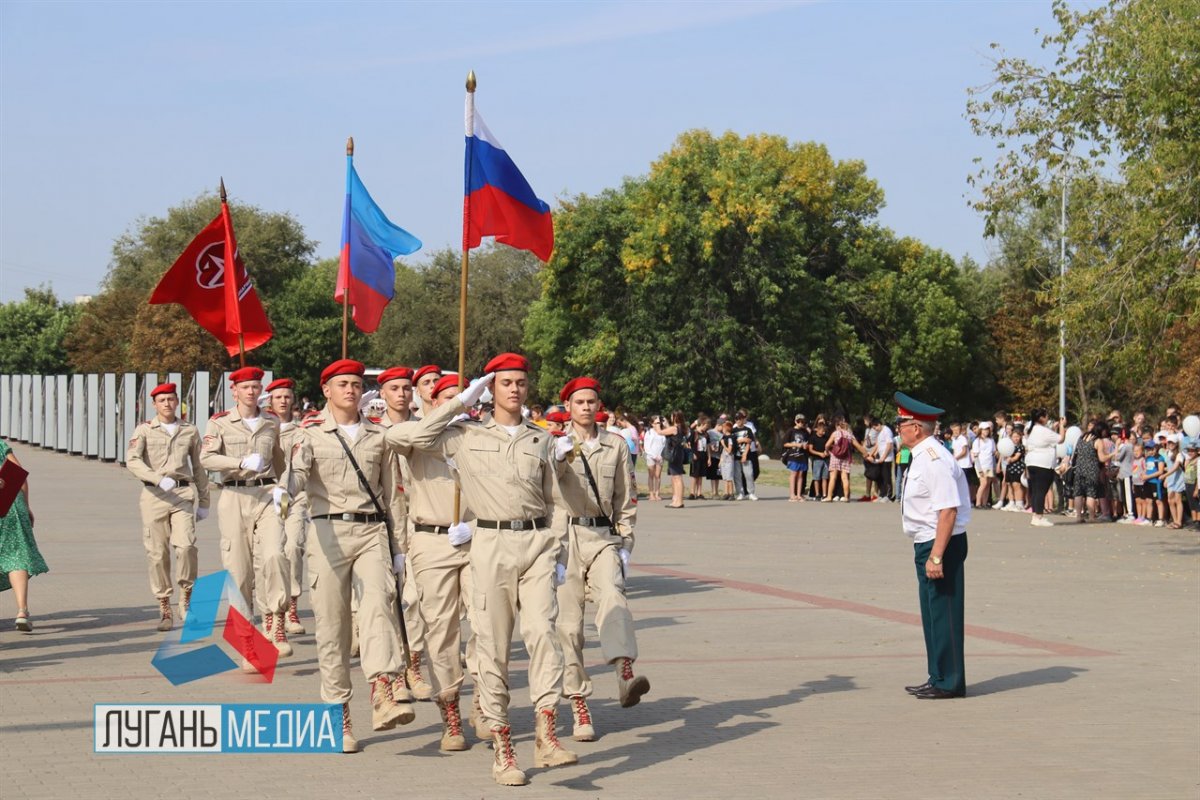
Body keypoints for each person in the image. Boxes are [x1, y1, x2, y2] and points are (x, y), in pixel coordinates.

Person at [402, 353, 576, 786]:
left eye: (520, 382)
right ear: (491, 389)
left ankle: (546, 734)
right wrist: (460, 401)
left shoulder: (541, 440)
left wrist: (555, 549)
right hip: (490, 544)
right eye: (505, 383)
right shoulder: (464, 435)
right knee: (493, 648)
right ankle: (502, 747)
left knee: (543, 636)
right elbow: (418, 436)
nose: (515, 389)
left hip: (536, 543)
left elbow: (556, 501)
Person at [289, 359, 416, 753]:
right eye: (343, 384)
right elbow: (297, 473)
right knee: (333, 626)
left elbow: (391, 494)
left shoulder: (378, 437)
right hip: (328, 530)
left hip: (372, 530)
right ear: (326, 389)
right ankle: (339, 712)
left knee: (378, 605)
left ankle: (382, 691)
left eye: (357, 384)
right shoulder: (309, 435)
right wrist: (283, 488)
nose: (351, 390)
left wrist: (398, 549)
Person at [385, 371, 478, 752]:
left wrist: (475, 525)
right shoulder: (414, 434)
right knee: (441, 633)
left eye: (464, 396)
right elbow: (410, 435)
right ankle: (451, 712)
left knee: (487, 624)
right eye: (448, 397)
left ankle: (487, 705)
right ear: (434, 402)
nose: (459, 403)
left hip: (476, 539)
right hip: (431, 540)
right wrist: (454, 407)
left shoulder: (479, 435)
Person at [553, 377, 647, 743]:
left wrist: (625, 541)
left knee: (614, 598)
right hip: (564, 539)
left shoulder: (616, 445)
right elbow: (546, 490)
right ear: (569, 407)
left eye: (592, 401)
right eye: (580, 402)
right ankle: (578, 702)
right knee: (569, 627)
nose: (587, 407)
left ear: (599, 405)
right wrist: (557, 458)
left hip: (603, 536)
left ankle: (624, 671)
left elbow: (626, 496)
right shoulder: (556, 445)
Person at [200, 367, 293, 659]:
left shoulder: (270, 422)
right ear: (235, 391)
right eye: (246, 387)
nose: (251, 392)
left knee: (275, 555)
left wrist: (283, 489)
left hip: (266, 494)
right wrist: (240, 462)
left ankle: (275, 618)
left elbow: (281, 462)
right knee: (239, 570)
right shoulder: (220, 423)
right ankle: (246, 640)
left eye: (255, 386)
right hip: (234, 495)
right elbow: (207, 458)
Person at [894, 392, 970, 699]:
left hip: (942, 544)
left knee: (945, 613)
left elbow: (948, 510)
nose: (898, 429)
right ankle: (937, 675)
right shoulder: (923, 455)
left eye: (901, 424)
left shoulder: (934, 459)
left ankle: (950, 681)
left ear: (916, 428)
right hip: (928, 542)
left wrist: (937, 556)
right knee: (932, 613)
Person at [126, 382, 210, 631]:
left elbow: (199, 466)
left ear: (178, 403)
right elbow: (132, 460)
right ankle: (164, 605)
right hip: (154, 495)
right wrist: (155, 478)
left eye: (171, 399)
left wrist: (204, 501)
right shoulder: (144, 430)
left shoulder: (189, 430)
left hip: (183, 494)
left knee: (186, 547)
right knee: (157, 553)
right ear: (154, 404)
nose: (167, 404)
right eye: (162, 400)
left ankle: (186, 597)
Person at [372, 366, 434, 703]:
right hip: (382, 521)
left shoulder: (423, 429)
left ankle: (414, 665)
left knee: (414, 598)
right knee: (387, 598)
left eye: (405, 389)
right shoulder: (373, 431)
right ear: (382, 394)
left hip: (420, 518)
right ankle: (393, 673)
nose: (401, 394)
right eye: (394, 389)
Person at [264, 378, 308, 636]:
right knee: (272, 553)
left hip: (294, 496)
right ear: (270, 401)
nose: (283, 400)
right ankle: (271, 609)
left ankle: (291, 606)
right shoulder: (262, 428)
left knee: (293, 546)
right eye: (278, 396)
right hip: (266, 496)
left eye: (287, 396)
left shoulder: (301, 431)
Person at [0, 440, 48, 632]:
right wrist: (26, 507)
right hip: (10, 503)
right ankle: (22, 610)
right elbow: (17, 472)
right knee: (17, 555)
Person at [1023, 409, 1066, 527]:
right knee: (1041, 490)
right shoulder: (1042, 430)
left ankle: (1035, 515)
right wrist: (1062, 426)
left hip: (1032, 462)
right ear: (1041, 418)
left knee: (1036, 490)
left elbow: (1049, 439)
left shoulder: (1032, 429)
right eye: (1046, 416)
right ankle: (1039, 516)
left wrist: (1054, 429)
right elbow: (1061, 439)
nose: (1048, 418)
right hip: (1043, 463)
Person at [1072, 421, 1110, 523]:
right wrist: (1112, 454)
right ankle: (1092, 517)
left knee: (1078, 493)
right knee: (1090, 493)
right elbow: (1102, 458)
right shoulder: (1098, 441)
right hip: (1092, 470)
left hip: (1079, 469)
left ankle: (1079, 516)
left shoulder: (1082, 437)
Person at [653, 411, 688, 508]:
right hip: (677, 453)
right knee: (675, 477)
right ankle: (676, 500)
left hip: (675, 454)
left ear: (675, 418)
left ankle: (679, 501)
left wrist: (657, 424)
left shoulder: (674, 428)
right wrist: (665, 424)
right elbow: (669, 432)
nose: (671, 418)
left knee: (677, 478)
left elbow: (660, 432)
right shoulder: (679, 428)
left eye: (672, 416)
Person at [730, 411, 758, 501]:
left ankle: (751, 493)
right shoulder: (733, 430)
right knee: (737, 475)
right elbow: (731, 442)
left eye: (740, 419)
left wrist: (745, 454)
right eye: (736, 419)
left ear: (743, 419)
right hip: (736, 456)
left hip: (746, 455)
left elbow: (750, 441)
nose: (738, 420)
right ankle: (740, 493)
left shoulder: (748, 429)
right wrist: (741, 440)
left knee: (749, 474)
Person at [825, 416, 854, 502]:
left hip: (835, 456)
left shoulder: (835, 433)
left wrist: (827, 451)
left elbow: (827, 445)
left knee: (833, 477)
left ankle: (829, 496)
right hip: (845, 457)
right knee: (844, 478)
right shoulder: (849, 435)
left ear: (837, 426)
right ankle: (846, 497)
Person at [783, 414, 810, 502]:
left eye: (803, 422)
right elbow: (785, 444)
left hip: (802, 456)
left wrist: (805, 446)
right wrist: (796, 444)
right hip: (793, 456)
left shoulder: (805, 432)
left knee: (800, 475)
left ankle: (799, 494)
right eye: (799, 421)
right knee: (793, 475)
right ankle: (792, 494)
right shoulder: (791, 431)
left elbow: (807, 442)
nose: (801, 423)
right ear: (795, 421)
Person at [972, 421, 996, 510]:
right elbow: (976, 456)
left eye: (987, 430)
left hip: (989, 465)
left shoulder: (991, 440)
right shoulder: (977, 441)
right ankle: (978, 503)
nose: (986, 432)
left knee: (988, 484)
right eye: (984, 430)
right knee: (983, 483)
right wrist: (979, 469)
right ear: (980, 430)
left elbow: (993, 452)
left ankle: (985, 503)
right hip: (981, 465)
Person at [642, 418, 665, 501]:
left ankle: (657, 493)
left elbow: (664, 445)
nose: (659, 424)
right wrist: (653, 455)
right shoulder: (649, 432)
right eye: (657, 422)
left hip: (660, 456)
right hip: (651, 456)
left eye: (659, 422)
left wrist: (661, 455)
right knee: (651, 475)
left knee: (658, 476)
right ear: (652, 424)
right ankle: (651, 494)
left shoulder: (662, 432)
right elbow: (646, 446)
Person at [808, 420, 831, 500]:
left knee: (825, 477)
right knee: (816, 477)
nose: (823, 432)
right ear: (817, 429)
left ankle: (824, 494)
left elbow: (829, 447)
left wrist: (827, 452)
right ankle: (817, 494)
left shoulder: (826, 437)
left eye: (824, 431)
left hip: (826, 459)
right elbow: (810, 450)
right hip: (817, 459)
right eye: (822, 431)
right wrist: (819, 454)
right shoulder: (813, 438)